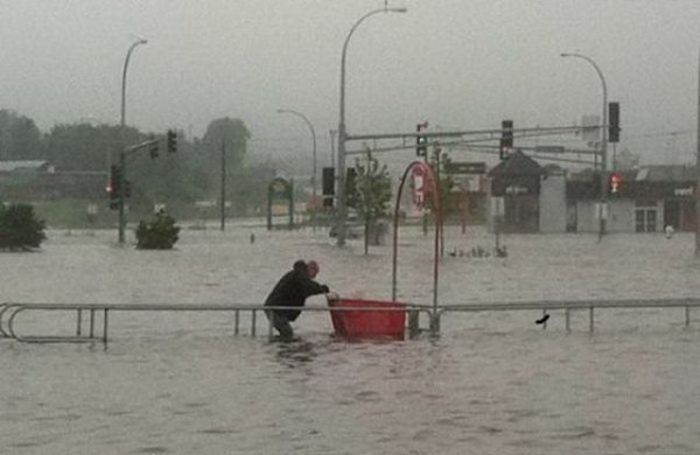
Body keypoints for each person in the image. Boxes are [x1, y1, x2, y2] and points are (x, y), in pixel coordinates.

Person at [264, 259, 330, 340]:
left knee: (287, 332)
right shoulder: (300, 275)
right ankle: (276, 346)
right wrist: (323, 289)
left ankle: (278, 347)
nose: (314, 277)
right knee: (287, 332)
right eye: (315, 274)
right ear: (311, 269)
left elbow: (306, 289)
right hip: (275, 309)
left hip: (276, 308)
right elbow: (309, 287)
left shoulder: (298, 274)